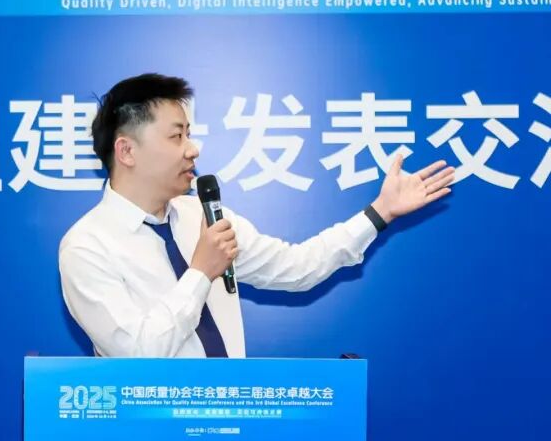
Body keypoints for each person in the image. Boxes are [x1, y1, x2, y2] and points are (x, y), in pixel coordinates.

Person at [59, 73, 455, 358]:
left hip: (235, 429)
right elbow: (138, 354)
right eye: (177, 136)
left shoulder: (203, 217)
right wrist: (201, 272)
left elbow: (298, 268)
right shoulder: (87, 246)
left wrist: (380, 212)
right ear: (127, 151)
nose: (193, 149)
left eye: (189, 134)